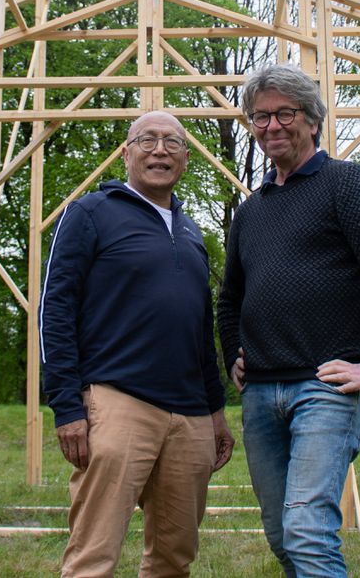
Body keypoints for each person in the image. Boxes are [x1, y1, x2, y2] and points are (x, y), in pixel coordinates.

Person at [217, 63, 360, 578]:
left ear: (311, 120)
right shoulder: (251, 212)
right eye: (260, 117)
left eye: (285, 113)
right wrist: (233, 354)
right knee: (283, 537)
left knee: (307, 532)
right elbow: (230, 298)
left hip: (325, 388)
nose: (272, 126)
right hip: (261, 394)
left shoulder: (345, 184)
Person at [40, 110, 234, 578]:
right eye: (147, 140)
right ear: (126, 153)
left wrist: (215, 412)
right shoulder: (89, 214)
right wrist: (66, 407)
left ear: (186, 158)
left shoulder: (191, 232)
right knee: (94, 555)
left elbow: (200, 329)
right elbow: (56, 311)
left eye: (173, 142)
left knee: (175, 556)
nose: (160, 150)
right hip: (118, 401)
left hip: (189, 415)